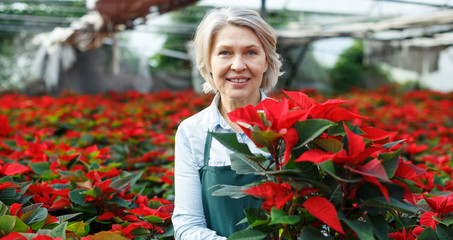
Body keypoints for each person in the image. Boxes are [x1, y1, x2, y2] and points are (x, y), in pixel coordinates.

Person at [172, 7, 282, 239]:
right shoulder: (192, 132)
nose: (238, 65)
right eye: (225, 53)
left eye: (251, 52)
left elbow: (315, 220)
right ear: (208, 63)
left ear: (266, 61)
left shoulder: (294, 125)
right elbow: (187, 225)